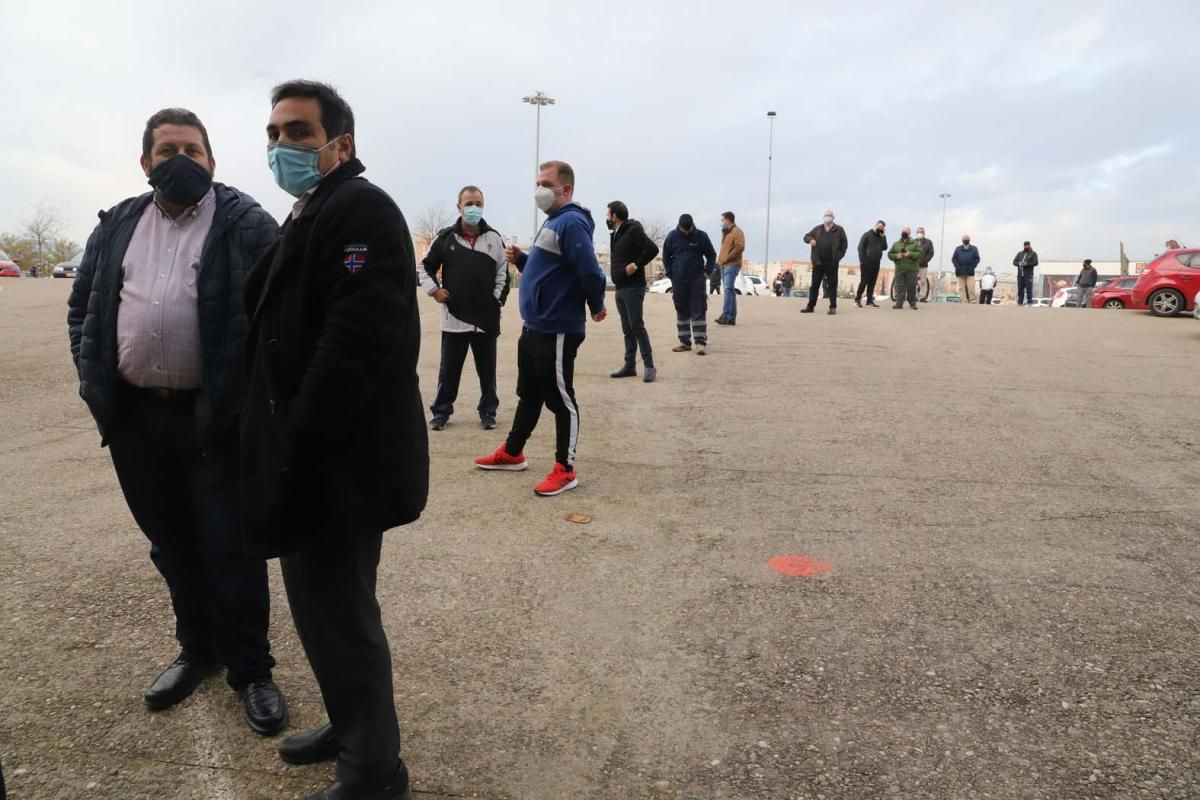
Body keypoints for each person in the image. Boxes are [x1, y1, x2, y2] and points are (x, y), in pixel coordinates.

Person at [66, 108, 286, 734]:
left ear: (212, 160)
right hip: (137, 419)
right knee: (171, 543)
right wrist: (94, 383)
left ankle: (251, 668)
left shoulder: (245, 223)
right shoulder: (117, 225)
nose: (181, 160)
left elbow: (278, 320)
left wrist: (252, 407)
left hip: (215, 419)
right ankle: (198, 650)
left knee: (231, 546)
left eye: (192, 149)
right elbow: (84, 305)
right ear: (146, 163)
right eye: (167, 150)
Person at [242, 80, 428, 800]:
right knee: (326, 611)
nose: (279, 145)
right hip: (316, 458)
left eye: (296, 132)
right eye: (272, 132)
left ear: (339, 144)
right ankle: (351, 725)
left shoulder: (360, 207)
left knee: (341, 616)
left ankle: (375, 771)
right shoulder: (313, 208)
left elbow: (355, 344)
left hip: (335, 462)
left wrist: (293, 442)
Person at [474, 160, 607, 497]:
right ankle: (513, 452)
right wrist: (521, 258)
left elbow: (590, 271)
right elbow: (549, 264)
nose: (540, 190)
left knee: (561, 399)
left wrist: (596, 304)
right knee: (529, 394)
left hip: (558, 329)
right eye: (538, 182)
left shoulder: (572, 222)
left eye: (546, 184)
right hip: (534, 327)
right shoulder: (553, 221)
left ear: (566, 189)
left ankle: (565, 469)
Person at [419, 185, 507, 431]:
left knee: (487, 372)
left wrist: (496, 300)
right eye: (469, 203)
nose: (473, 208)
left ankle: (488, 411)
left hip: (486, 320)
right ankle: (441, 412)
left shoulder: (494, 239)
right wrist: (435, 291)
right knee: (449, 371)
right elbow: (423, 267)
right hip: (454, 319)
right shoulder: (446, 238)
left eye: (478, 203)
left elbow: (503, 274)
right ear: (458, 207)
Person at [606, 200, 660, 382]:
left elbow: (652, 249)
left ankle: (649, 366)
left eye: (608, 214)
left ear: (614, 215)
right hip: (620, 288)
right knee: (627, 328)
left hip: (633, 287)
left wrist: (636, 265)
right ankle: (629, 366)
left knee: (636, 325)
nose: (607, 218)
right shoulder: (616, 234)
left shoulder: (633, 230)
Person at [661, 214, 716, 354]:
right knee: (681, 309)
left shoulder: (701, 236)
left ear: (692, 225)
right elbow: (666, 255)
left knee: (698, 309)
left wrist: (707, 272)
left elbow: (711, 255)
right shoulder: (672, 236)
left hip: (697, 279)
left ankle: (700, 343)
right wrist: (670, 273)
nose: (686, 232)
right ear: (679, 226)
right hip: (678, 280)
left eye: (688, 229)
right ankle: (684, 342)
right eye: (683, 230)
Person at [801, 209, 848, 315]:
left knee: (832, 285)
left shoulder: (839, 230)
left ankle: (832, 307)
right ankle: (810, 306)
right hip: (818, 262)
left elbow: (844, 244)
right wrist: (810, 240)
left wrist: (838, 257)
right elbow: (805, 236)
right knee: (815, 285)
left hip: (832, 262)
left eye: (830, 216)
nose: (828, 217)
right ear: (823, 217)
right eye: (826, 216)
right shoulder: (817, 229)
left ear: (833, 218)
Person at [715, 211, 745, 325]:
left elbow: (740, 246)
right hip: (723, 264)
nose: (722, 222)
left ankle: (726, 315)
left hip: (732, 264)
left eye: (722, 220)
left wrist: (728, 257)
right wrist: (720, 261)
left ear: (728, 220)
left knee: (728, 289)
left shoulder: (737, 231)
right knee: (730, 290)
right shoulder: (726, 232)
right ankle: (731, 317)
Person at [887, 227, 922, 310]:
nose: (904, 233)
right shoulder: (896, 244)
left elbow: (919, 254)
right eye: (903, 231)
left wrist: (910, 254)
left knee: (912, 287)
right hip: (900, 269)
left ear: (909, 233)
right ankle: (899, 303)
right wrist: (896, 256)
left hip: (912, 269)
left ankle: (912, 303)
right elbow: (889, 254)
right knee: (899, 287)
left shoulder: (915, 243)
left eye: (906, 231)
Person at [855, 220, 887, 307]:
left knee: (872, 282)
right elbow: (860, 248)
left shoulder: (881, 237)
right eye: (879, 226)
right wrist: (862, 261)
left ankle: (869, 301)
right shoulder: (867, 235)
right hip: (866, 262)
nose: (880, 228)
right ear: (875, 225)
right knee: (864, 281)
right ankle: (857, 300)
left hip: (876, 263)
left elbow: (884, 247)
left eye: (882, 228)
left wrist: (883, 236)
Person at [951, 235, 981, 303]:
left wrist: (973, 266)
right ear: (962, 240)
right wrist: (957, 266)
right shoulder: (958, 249)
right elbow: (954, 259)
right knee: (961, 287)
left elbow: (977, 258)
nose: (965, 240)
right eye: (964, 239)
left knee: (971, 286)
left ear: (969, 240)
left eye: (967, 239)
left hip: (970, 270)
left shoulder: (974, 248)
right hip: (960, 271)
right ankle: (963, 299)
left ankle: (972, 299)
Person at [1013, 241, 1039, 305]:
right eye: (1025, 245)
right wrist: (1019, 263)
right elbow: (1014, 262)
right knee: (1020, 288)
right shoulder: (1020, 253)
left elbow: (1036, 262)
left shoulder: (1033, 253)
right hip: (1020, 275)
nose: (1026, 247)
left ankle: (1029, 302)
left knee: (1029, 288)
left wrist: (1027, 264)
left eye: (1027, 245)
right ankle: (1020, 302)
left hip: (1028, 274)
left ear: (1029, 245)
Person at [915, 226, 934, 302]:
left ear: (924, 233)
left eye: (921, 232)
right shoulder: (913, 241)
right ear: (916, 233)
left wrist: (925, 260)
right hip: (914, 265)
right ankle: (914, 296)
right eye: (918, 232)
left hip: (923, 265)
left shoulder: (928, 242)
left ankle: (922, 297)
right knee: (913, 281)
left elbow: (931, 253)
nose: (920, 233)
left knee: (923, 281)